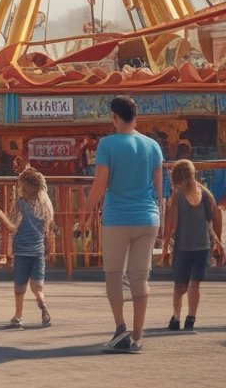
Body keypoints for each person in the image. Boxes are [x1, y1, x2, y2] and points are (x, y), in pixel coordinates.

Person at [80, 95, 162, 353]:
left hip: (118, 218)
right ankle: (137, 337)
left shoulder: (108, 144)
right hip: (148, 218)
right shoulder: (153, 146)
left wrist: (85, 214)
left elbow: (100, 185)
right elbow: (159, 191)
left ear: (115, 117)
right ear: (135, 117)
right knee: (140, 278)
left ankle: (120, 329)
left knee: (114, 275)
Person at [160, 159, 223, 331]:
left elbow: (215, 217)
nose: (183, 182)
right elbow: (171, 223)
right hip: (183, 247)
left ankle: (189, 318)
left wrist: (218, 242)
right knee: (181, 286)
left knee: (193, 284)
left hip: (200, 247)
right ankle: (177, 316)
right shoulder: (178, 196)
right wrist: (166, 246)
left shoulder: (205, 194)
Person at [0, 167, 54, 328]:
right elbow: (47, 229)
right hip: (38, 251)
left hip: (21, 251)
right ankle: (42, 302)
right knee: (37, 286)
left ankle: (18, 315)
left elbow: (13, 227)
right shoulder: (45, 206)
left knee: (20, 286)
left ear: (24, 188)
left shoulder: (21, 204)